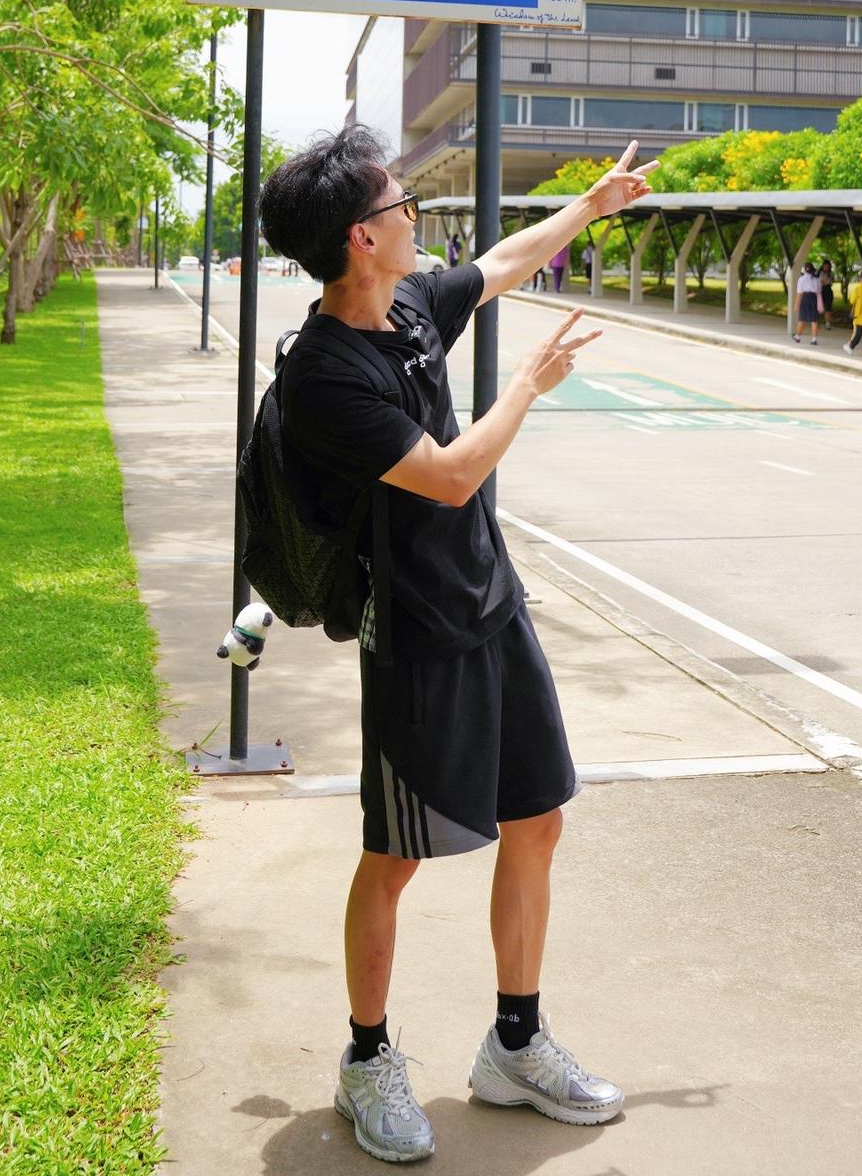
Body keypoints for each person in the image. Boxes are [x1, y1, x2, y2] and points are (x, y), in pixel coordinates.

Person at [258, 126, 656, 1165]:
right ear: (359, 238)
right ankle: (365, 1058)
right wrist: (526, 383)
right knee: (392, 859)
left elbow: (498, 265)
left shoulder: (405, 305)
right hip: (415, 634)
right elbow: (446, 474)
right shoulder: (326, 376)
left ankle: (513, 1044)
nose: (414, 223)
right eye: (399, 210)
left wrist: (591, 206)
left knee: (536, 820)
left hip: (493, 606)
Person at [793, 260, 823, 345]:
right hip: (813, 298)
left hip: (805, 298)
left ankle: (797, 336)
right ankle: (814, 339)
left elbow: (800, 293)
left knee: (802, 318)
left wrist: (796, 304)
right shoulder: (817, 279)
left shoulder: (801, 279)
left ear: (805, 270)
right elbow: (819, 290)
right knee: (814, 319)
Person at [817, 258, 836, 329]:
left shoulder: (831, 273)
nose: (826, 267)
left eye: (828, 266)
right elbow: (821, 282)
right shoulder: (820, 272)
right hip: (821, 290)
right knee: (819, 307)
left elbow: (831, 282)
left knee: (828, 307)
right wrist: (826, 279)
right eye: (825, 266)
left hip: (828, 290)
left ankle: (827, 323)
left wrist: (827, 280)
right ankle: (816, 322)